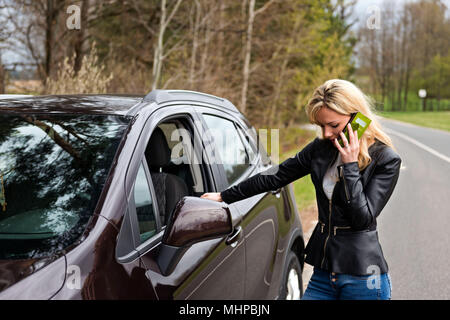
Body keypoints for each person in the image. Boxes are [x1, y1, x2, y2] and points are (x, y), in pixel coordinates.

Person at [201, 79, 401, 300]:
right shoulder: (321, 149)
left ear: (358, 118)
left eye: (333, 125)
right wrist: (224, 196)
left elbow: (361, 218)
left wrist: (350, 165)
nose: (326, 134)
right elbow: (276, 176)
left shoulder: (386, 160)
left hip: (364, 277)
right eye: (321, 126)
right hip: (324, 274)